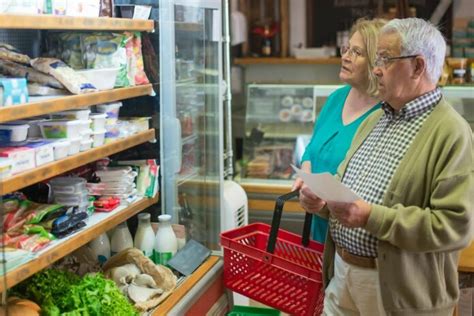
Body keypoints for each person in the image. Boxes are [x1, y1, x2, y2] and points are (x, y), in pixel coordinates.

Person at [299, 18, 473, 315]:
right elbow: (344, 186)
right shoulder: (375, 118)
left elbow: (454, 227)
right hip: (342, 277)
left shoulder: (452, 133)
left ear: (418, 67)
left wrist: (371, 217)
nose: (376, 68)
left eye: (385, 59)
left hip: (398, 293)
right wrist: (321, 201)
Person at [293, 18, 386, 243]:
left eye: (357, 52)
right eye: (346, 49)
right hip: (319, 229)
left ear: (377, 62)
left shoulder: (385, 112)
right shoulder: (336, 98)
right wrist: (306, 182)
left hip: (354, 237)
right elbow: (312, 149)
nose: (345, 57)